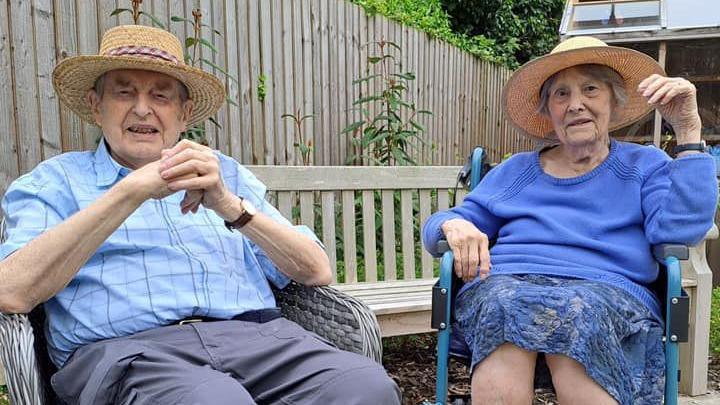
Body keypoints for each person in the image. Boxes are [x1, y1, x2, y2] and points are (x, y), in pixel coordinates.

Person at [0, 25, 400, 405]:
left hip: (259, 340)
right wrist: (132, 190)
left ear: (184, 113)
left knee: (366, 387)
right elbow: (11, 291)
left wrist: (229, 205)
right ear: (96, 104)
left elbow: (316, 271)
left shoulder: (224, 174)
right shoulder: (54, 182)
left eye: (161, 97)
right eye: (124, 93)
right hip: (130, 353)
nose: (142, 110)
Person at [423, 36, 717, 405]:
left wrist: (689, 131)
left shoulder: (645, 166)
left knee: (580, 309)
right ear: (548, 110)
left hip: (605, 290)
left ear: (614, 99)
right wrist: (452, 225)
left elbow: (679, 232)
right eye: (561, 94)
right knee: (503, 302)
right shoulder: (516, 171)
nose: (575, 104)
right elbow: (444, 225)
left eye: (590, 89)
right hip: (508, 284)